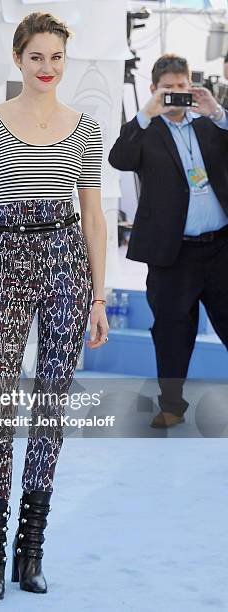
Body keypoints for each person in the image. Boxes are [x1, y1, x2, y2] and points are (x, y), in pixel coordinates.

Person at [0, 11, 108, 602]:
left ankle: (31, 552)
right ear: (18, 59)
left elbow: (93, 215)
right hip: (6, 261)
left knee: (50, 410)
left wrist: (98, 293)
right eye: (37, 56)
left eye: (57, 57)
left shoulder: (85, 128)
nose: (48, 68)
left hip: (68, 261)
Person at [109, 54, 228, 429]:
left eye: (183, 87)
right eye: (168, 88)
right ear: (154, 89)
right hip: (172, 255)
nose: (177, 95)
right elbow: (119, 158)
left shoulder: (210, 124)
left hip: (221, 249)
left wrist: (218, 112)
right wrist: (146, 112)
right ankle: (172, 406)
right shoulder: (146, 130)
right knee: (171, 333)